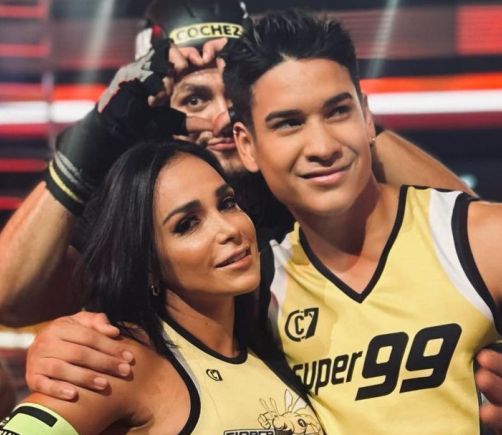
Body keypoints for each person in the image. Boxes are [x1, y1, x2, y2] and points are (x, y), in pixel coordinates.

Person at [13, 3, 502, 432]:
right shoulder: (180, 235)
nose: (221, 118)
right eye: (195, 99)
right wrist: (67, 350)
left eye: (234, 96)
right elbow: (14, 300)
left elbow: (458, 241)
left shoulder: (313, 205)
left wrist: (300, 88)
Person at [220, 10, 502, 434]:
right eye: (289, 124)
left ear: (366, 117)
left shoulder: (480, 238)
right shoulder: (258, 294)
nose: (322, 146)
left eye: (337, 112)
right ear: (246, 146)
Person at [0, 140, 324, 434]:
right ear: (148, 265)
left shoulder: (269, 347)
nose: (228, 229)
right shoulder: (122, 362)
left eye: (227, 203)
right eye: (187, 224)